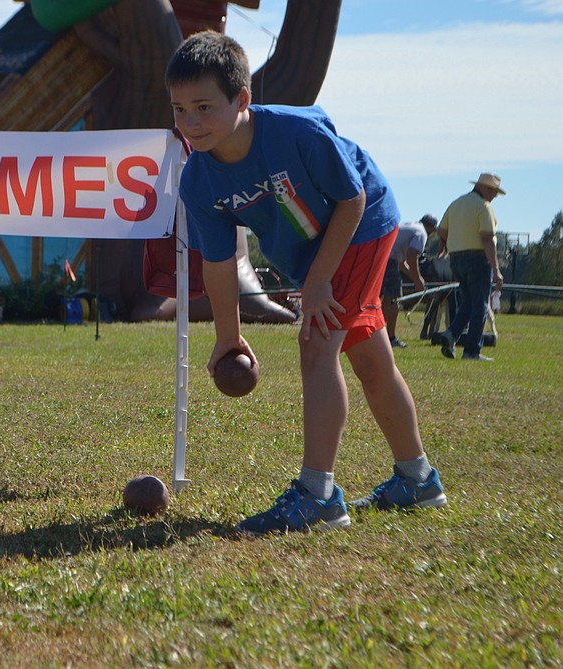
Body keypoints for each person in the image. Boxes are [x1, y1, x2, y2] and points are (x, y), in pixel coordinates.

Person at [165, 31, 446, 535]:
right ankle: (418, 479)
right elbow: (219, 261)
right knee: (370, 359)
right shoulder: (199, 180)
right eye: (181, 109)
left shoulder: (296, 133)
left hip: (362, 223)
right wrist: (227, 337)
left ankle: (318, 495)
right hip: (321, 245)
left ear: (242, 100)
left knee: (316, 345)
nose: (191, 123)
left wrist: (318, 282)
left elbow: (353, 198)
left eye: (204, 107)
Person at [437, 173, 505, 362]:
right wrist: (496, 270)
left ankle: (451, 334)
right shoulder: (484, 207)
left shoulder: (456, 203)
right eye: (494, 192)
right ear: (487, 189)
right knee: (480, 306)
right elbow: (487, 239)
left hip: (456, 259)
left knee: (467, 303)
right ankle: (472, 351)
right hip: (477, 259)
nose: (494, 196)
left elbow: (441, 231)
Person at [382, 218, 433, 348]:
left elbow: (402, 263)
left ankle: (375, 335)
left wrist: (416, 278)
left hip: (379, 256)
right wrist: (418, 280)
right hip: (389, 260)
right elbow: (411, 256)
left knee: (376, 300)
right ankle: (390, 338)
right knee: (392, 299)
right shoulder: (422, 233)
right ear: (431, 227)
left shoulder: (408, 226)